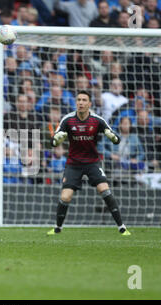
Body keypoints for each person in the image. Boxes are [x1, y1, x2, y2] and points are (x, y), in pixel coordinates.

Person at [47, 90, 131, 236]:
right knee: (65, 197)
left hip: (92, 162)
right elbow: (53, 142)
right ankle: (57, 228)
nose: (81, 102)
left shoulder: (97, 120)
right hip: (73, 163)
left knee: (104, 190)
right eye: (79, 100)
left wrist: (112, 136)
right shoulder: (67, 120)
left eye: (84, 100)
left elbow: (115, 138)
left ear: (89, 104)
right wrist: (57, 139)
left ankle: (122, 227)